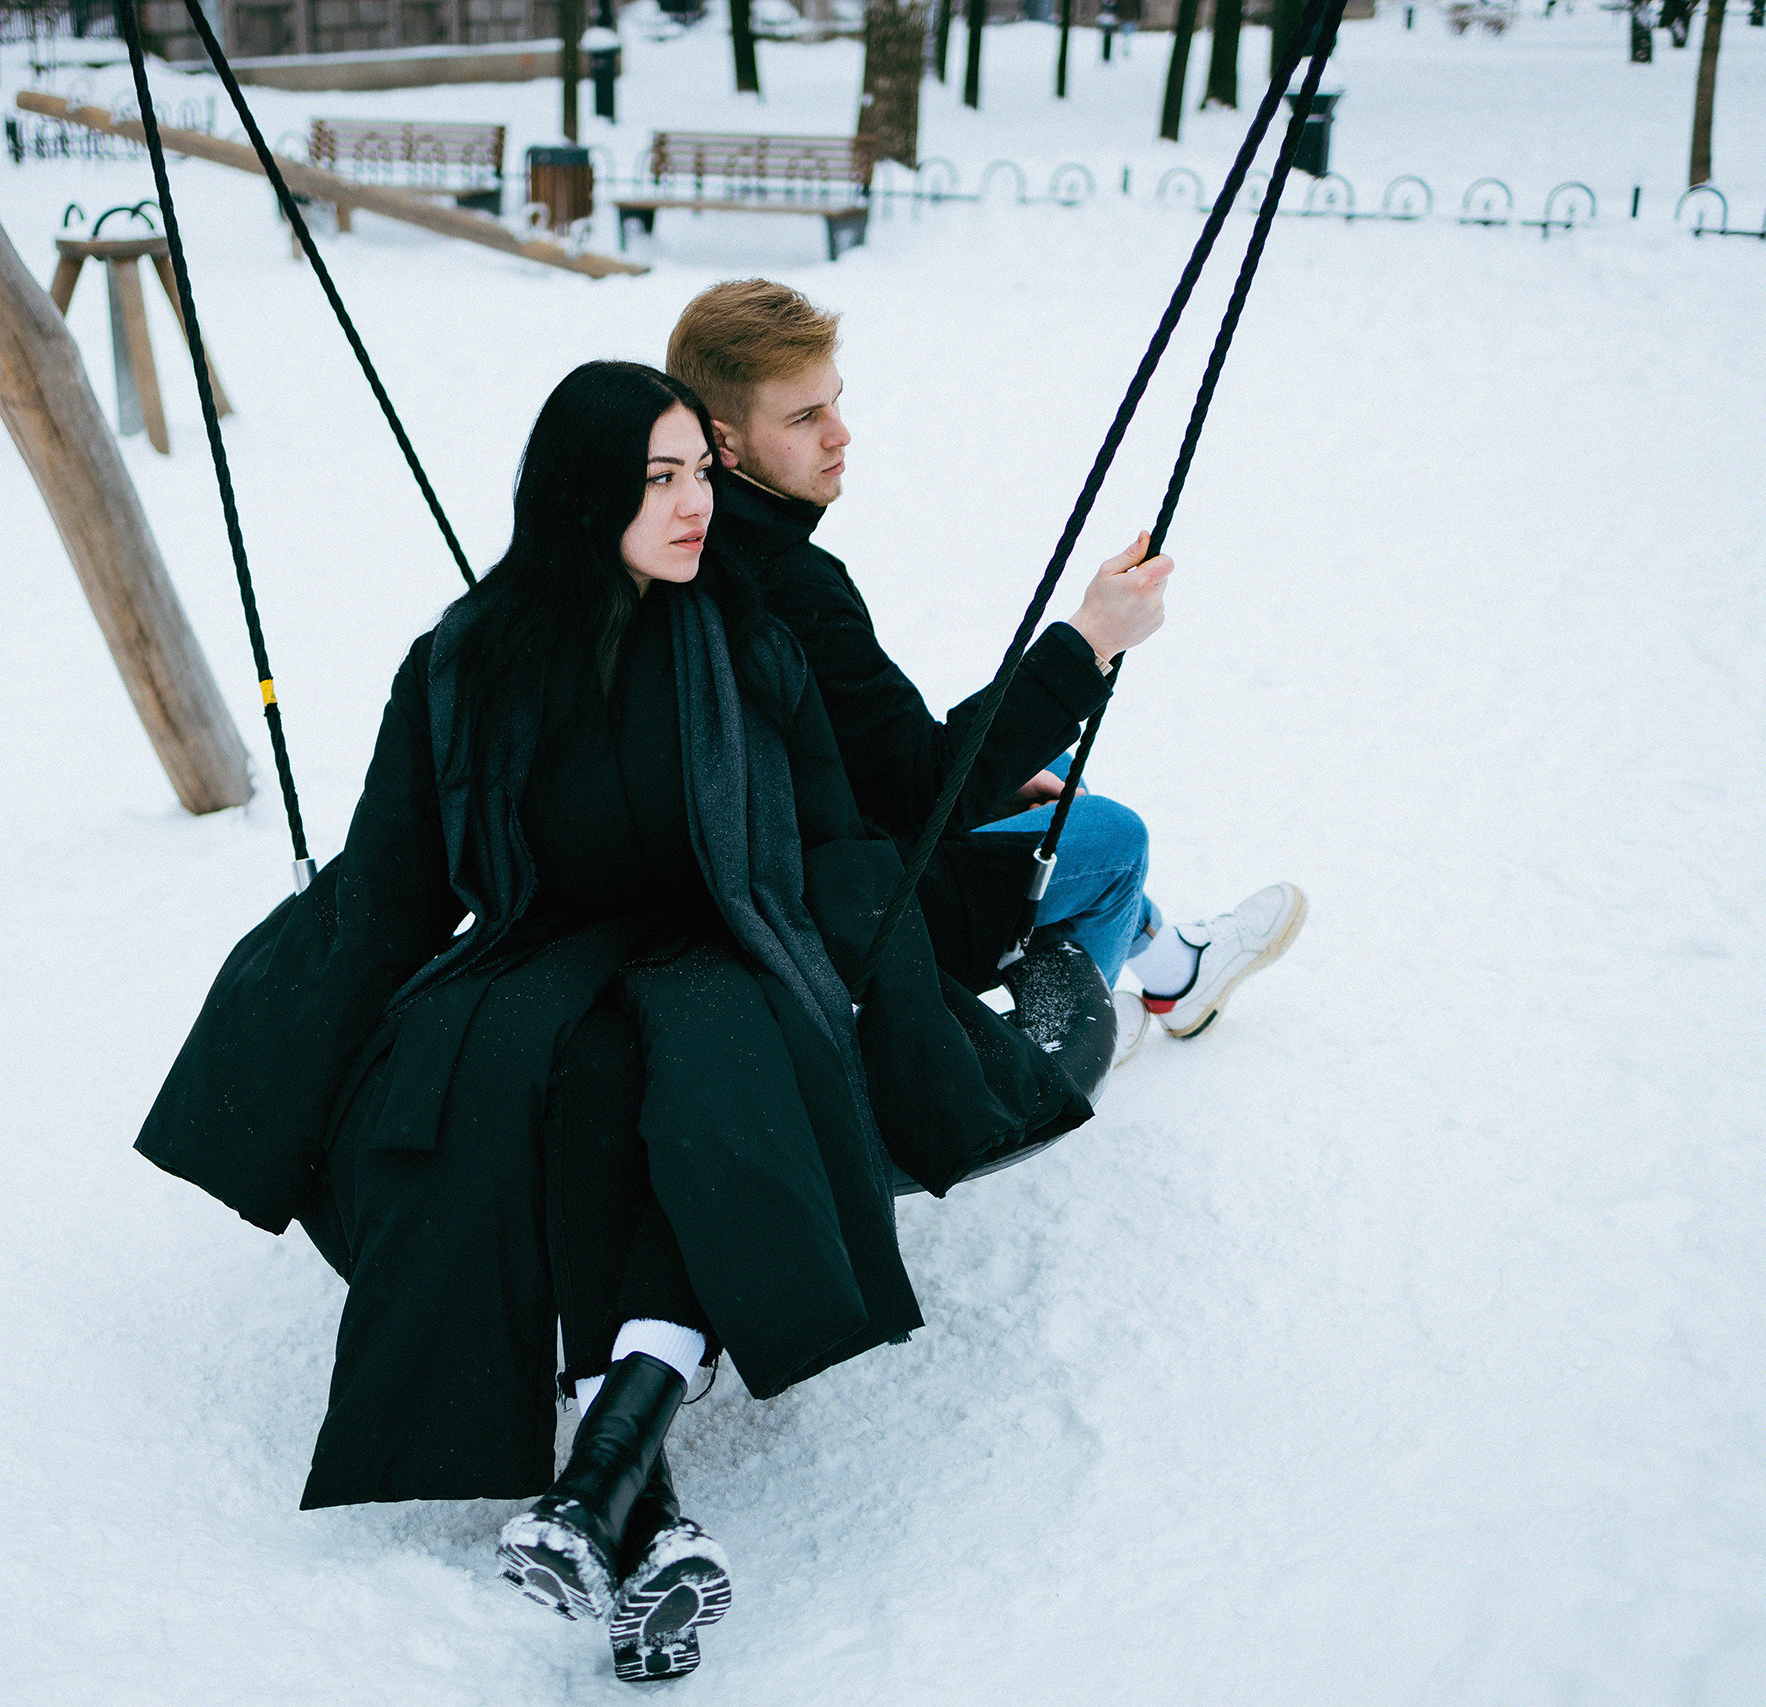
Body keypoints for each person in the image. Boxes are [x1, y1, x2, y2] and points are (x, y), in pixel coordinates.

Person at [133, 362, 1094, 1685]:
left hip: (732, 943)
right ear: (587, 493)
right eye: (661, 478)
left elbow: (835, 837)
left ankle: (599, 1485)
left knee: (707, 1070)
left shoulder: (750, 642)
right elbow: (394, 883)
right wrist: (284, 1047)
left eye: (702, 470)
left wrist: (901, 990)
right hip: (539, 954)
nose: (696, 503)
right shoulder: (465, 664)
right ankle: (626, 1506)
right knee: (553, 1077)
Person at [666, 280, 1306, 1056]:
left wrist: (1002, 769)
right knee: (1110, 837)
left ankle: (1173, 969)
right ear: (724, 444)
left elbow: (856, 750)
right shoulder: (785, 587)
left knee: (1049, 767)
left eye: (835, 400)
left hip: (799, 853)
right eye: (805, 418)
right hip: (838, 912)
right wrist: (1089, 640)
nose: (842, 433)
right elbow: (918, 789)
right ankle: (1066, 1044)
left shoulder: (680, 537)